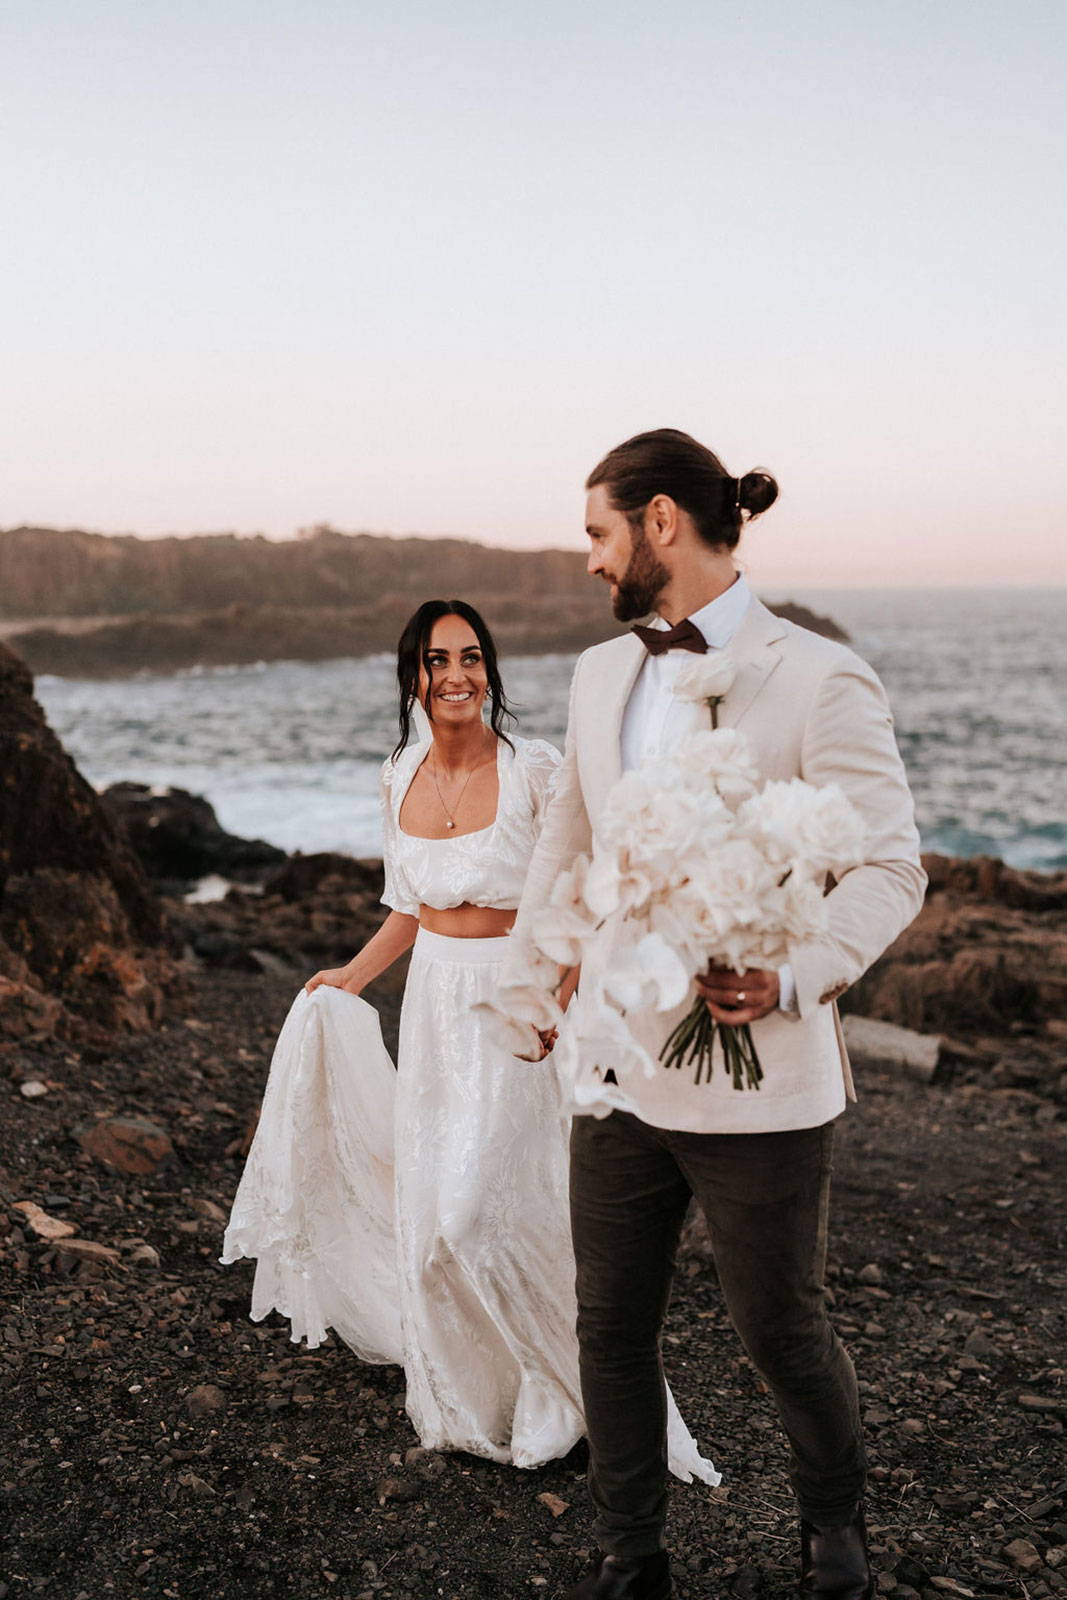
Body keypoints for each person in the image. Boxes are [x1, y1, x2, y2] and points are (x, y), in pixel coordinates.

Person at [502, 431, 927, 1599]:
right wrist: (536, 977)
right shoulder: (598, 674)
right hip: (615, 1072)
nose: (587, 561)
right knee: (608, 1321)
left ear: (656, 522)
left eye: (595, 533)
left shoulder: (819, 674)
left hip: (761, 1067)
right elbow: (567, 839)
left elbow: (888, 868)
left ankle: (832, 1530)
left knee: (779, 1326)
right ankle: (633, 1555)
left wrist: (792, 976)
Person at [221, 598, 717, 1481]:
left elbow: (580, 887)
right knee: (433, 1214)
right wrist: (350, 977)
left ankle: (563, 1394)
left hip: (515, 998)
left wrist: (555, 992)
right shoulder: (398, 773)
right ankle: (478, 1393)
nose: (457, 675)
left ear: (490, 669)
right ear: (411, 673)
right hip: (434, 1003)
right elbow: (408, 907)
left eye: (472, 657)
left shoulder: (534, 769)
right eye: (438, 659)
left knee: (491, 1208)